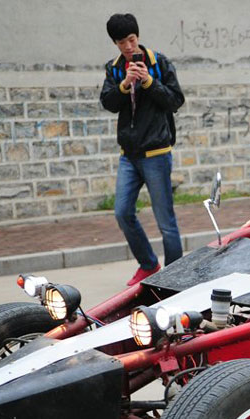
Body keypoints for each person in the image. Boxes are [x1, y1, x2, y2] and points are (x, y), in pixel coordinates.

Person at [100, 13, 186, 286]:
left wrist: (149, 82)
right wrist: (124, 85)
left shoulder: (158, 62)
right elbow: (108, 103)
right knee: (122, 212)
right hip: (129, 155)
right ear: (115, 43)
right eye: (121, 42)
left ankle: (174, 276)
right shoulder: (114, 69)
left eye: (131, 40)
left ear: (137, 37)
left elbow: (175, 100)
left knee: (166, 221)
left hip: (157, 154)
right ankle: (148, 265)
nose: (127, 46)